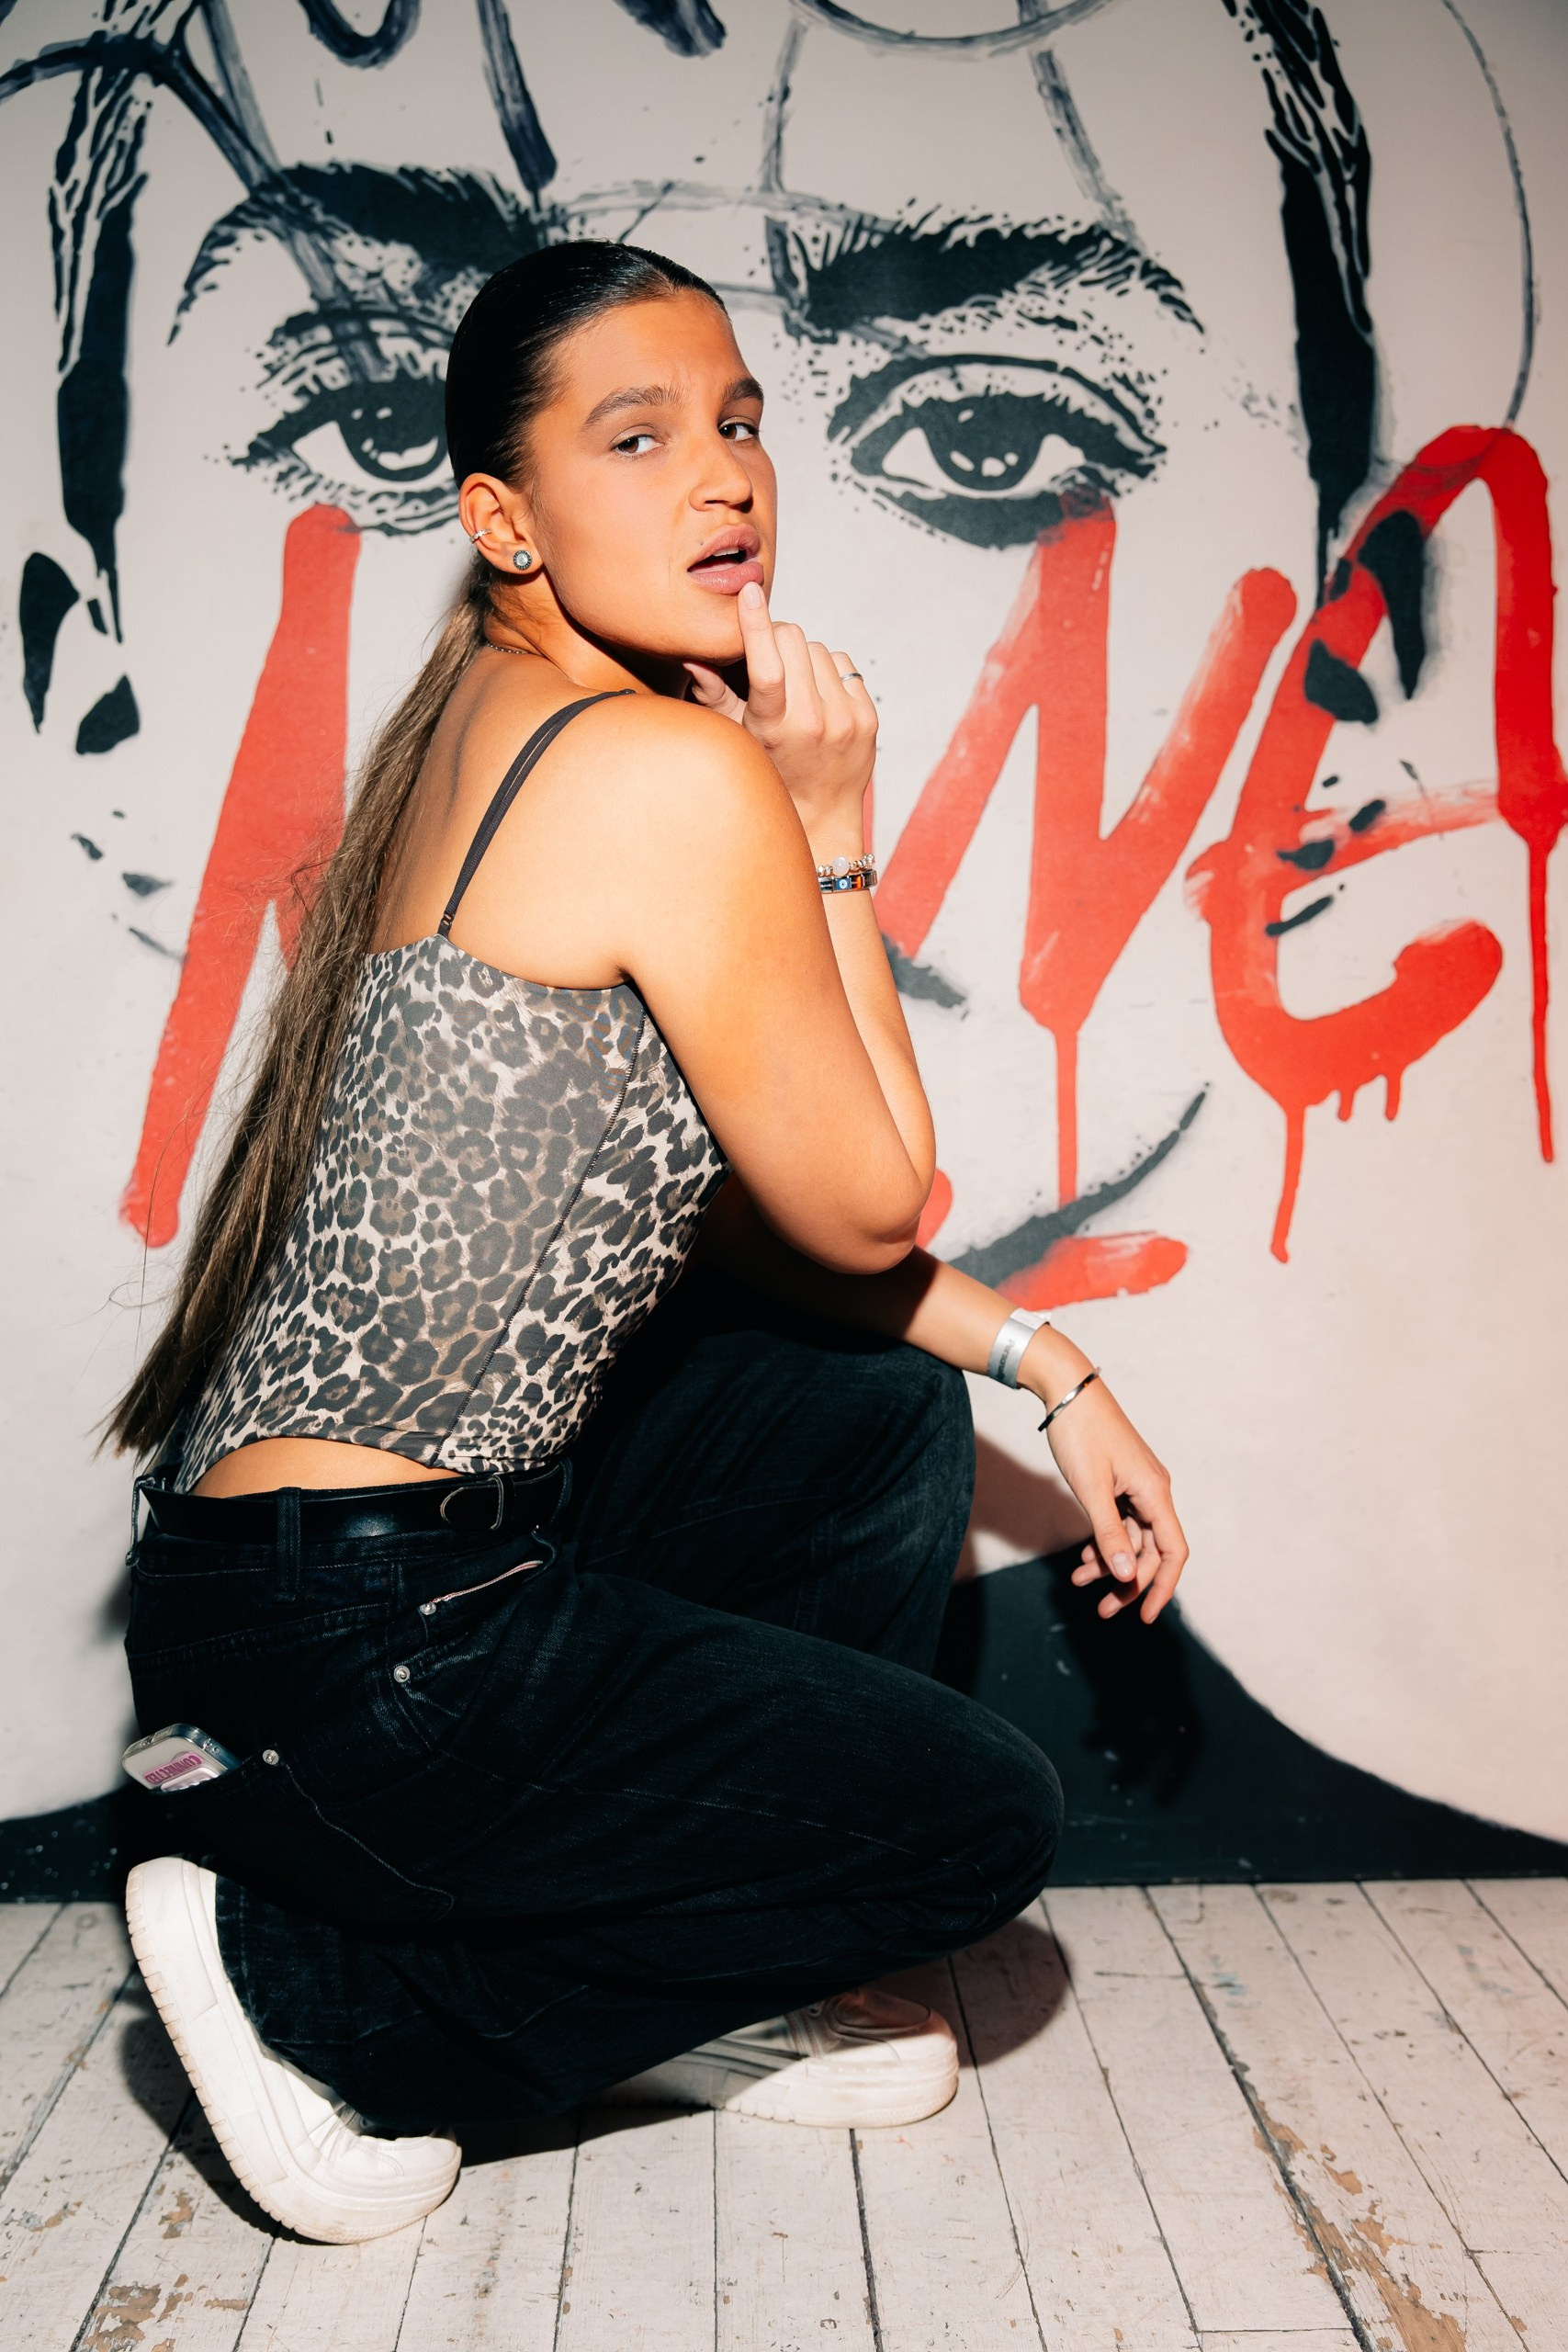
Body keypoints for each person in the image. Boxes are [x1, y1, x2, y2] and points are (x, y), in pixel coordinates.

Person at [113, 240, 1188, 2246]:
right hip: (385, 1639)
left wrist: (1051, 1365)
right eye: (637, 435)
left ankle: (681, 1970)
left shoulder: (479, 721)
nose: (723, 475)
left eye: (739, 422)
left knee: (864, 1413)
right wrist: (835, 820)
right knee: (982, 1820)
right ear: (502, 518)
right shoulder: (664, 769)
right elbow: (873, 1197)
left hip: (259, 1601)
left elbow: (736, 1241)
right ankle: (320, 1993)